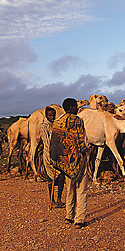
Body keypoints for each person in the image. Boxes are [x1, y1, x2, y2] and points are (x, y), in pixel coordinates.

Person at [50, 98, 88, 229]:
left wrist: (56, 161)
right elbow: (80, 140)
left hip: (65, 163)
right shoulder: (78, 121)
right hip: (78, 161)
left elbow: (54, 144)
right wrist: (86, 150)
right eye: (76, 107)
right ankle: (79, 219)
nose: (78, 109)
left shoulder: (57, 123)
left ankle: (68, 216)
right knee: (81, 190)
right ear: (71, 108)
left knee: (69, 189)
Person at [40, 107, 65, 208]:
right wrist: (52, 153)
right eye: (50, 115)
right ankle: (52, 200)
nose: (51, 117)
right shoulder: (43, 126)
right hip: (48, 154)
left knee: (61, 176)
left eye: (53, 115)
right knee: (50, 178)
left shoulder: (55, 125)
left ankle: (59, 199)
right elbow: (46, 142)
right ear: (46, 115)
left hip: (57, 154)